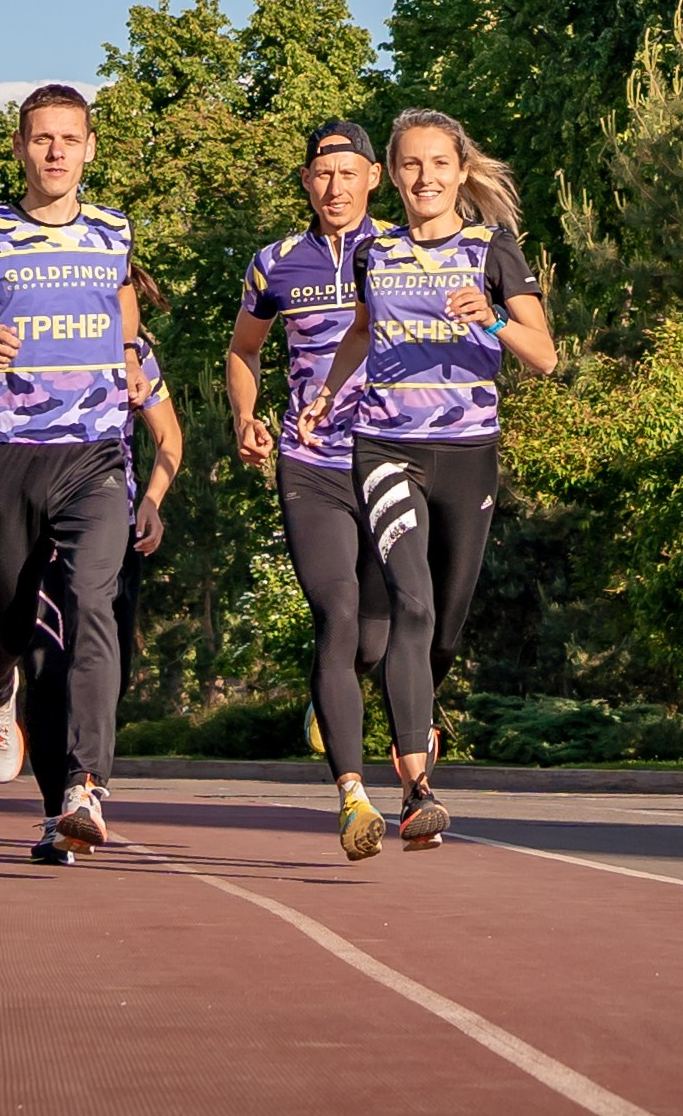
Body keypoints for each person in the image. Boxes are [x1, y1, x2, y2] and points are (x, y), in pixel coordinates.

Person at [302, 108, 557, 853]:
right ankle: (417, 790)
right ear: (394, 172)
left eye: (437, 164)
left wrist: (490, 321)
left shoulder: (491, 249)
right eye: (410, 165)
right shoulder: (373, 253)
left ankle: (394, 707)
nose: (423, 178)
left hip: (468, 452)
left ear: (459, 169)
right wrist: (324, 395)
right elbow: (358, 331)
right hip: (385, 446)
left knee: (441, 627)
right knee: (410, 602)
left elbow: (542, 355)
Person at [0, 83, 145, 854]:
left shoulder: (114, 230)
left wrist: (133, 361)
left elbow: (123, 311)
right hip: (10, 455)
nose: (55, 153)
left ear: (89, 149)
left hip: (93, 455)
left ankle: (84, 786)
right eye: (41, 139)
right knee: (13, 625)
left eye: (69, 140)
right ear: (19, 148)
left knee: (91, 609)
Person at [0, 268, 182, 865]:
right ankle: (58, 807)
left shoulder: (136, 362)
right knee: (44, 663)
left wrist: (153, 503)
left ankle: (80, 791)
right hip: (33, 519)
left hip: (105, 523)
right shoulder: (31, 346)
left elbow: (170, 440)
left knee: (100, 663)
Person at [227, 120, 399, 861]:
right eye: (320, 175)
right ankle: (352, 796)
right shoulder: (275, 264)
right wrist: (245, 417)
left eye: (347, 173)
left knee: (379, 632)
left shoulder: (402, 252)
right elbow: (242, 350)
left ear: (372, 179)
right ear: (306, 182)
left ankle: (334, 697)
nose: (334, 188)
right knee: (335, 613)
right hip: (312, 461)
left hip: (396, 458)